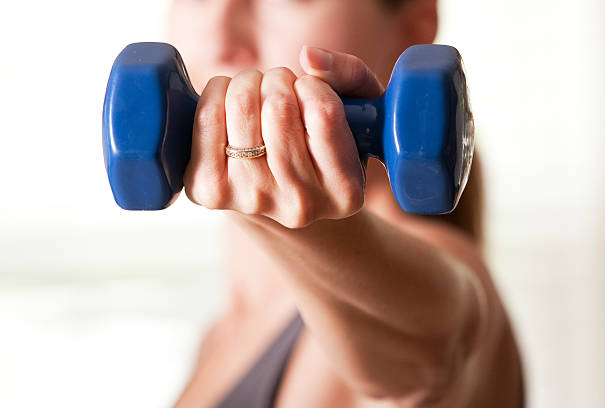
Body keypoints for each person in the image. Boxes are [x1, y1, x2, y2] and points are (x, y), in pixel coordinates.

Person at [167, 0, 523, 407]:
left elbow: (427, 356)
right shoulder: (221, 335)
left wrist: (307, 221)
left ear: (412, 29)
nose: (220, 38)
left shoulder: (446, 276)